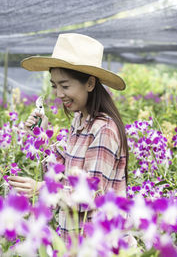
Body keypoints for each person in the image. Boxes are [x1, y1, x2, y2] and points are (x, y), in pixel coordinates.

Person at [8, 33, 128, 242]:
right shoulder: (80, 122)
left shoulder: (104, 129)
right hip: (73, 241)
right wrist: (42, 137)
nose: (58, 94)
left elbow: (90, 196)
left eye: (65, 86)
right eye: (55, 86)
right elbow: (60, 174)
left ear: (90, 83)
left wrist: (40, 189)